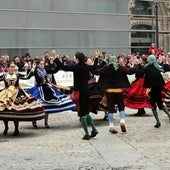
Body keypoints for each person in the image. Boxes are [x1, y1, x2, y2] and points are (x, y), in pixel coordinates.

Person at [54, 52, 98, 140]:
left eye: (75, 57)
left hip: (79, 92)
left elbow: (64, 67)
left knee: (81, 113)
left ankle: (86, 133)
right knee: (86, 112)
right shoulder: (86, 66)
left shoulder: (76, 67)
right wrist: (96, 58)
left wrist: (55, 58)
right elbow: (94, 67)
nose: (74, 58)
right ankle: (93, 129)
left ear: (77, 59)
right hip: (86, 91)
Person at [27, 58, 75, 128]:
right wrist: (33, 67)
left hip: (46, 88)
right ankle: (34, 121)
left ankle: (46, 122)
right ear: (38, 65)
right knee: (36, 105)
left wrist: (58, 64)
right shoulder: (35, 71)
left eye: (43, 64)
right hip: (38, 89)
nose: (42, 65)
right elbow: (29, 75)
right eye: (41, 64)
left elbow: (54, 71)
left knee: (47, 105)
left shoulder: (45, 70)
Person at [0, 62, 45, 135]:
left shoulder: (17, 74)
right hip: (6, 94)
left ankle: (16, 129)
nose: (13, 68)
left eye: (14, 67)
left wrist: (33, 68)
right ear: (8, 68)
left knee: (16, 111)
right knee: (5, 109)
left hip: (17, 93)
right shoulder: (4, 75)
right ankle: (6, 127)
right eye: (11, 67)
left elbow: (27, 76)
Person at [94, 55, 137, 134]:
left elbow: (96, 72)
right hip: (119, 91)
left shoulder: (105, 68)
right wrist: (135, 64)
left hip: (109, 92)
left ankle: (111, 126)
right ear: (116, 61)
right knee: (121, 107)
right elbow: (130, 72)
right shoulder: (120, 68)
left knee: (110, 109)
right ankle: (122, 121)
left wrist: (96, 61)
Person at [138, 55, 170, 128]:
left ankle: (158, 122)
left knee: (153, 104)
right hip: (159, 88)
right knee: (160, 104)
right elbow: (165, 68)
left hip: (152, 88)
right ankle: (169, 116)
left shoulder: (147, 67)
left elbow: (139, 73)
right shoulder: (157, 66)